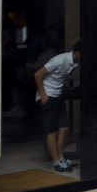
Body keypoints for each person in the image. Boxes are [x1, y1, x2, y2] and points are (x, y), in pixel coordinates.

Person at [34, 41, 82, 173]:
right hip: (49, 96)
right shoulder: (59, 60)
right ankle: (55, 162)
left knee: (64, 128)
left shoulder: (75, 62)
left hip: (58, 95)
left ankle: (61, 158)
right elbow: (38, 74)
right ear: (78, 53)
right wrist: (43, 95)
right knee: (52, 131)